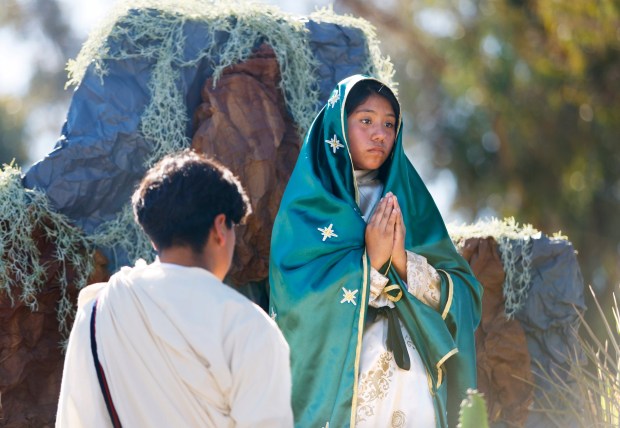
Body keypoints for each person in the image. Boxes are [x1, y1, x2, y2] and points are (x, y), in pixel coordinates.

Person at [269, 75, 483, 428]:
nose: (379, 134)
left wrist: (402, 263)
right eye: (365, 121)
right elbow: (295, 298)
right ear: (338, 125)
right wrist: (370, 266)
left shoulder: (410, 201)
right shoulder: (308, 206)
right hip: (344, 386)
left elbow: (466, 294)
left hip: (414, 382)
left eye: (389, 124)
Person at [56, 149, 293, 427]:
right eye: (233, 228)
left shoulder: (99, 312)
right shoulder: (247, 325)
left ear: (154, 237)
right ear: (220, 228)